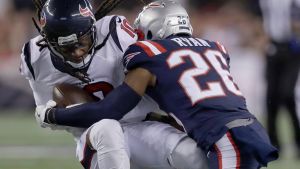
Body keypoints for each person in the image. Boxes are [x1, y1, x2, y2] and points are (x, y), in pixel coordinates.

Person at [36, 1, 279, 168]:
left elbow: (108, 111)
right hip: (250, 129)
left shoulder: (148, 53)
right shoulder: (215, 47)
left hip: (225, 140)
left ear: (153, 27)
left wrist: (53, 116)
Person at [20, 0, 207, 169]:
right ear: (48, 42)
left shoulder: (115, 33)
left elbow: (152, 76)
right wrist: (56, 116)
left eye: (82, 42)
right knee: (108, 128)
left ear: (92, 28)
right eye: (66, 47)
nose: (77, 52)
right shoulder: (34, 57)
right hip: (95, 139)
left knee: (192, 154)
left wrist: (168, 117)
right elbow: (53, 115)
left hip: (142, 128)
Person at [259, 0, 300, 155]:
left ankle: (297, 141)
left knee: (286, 93)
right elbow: (259, 17)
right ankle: (274, 143)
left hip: (293, 47)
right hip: (273, 47)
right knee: (271, 98)